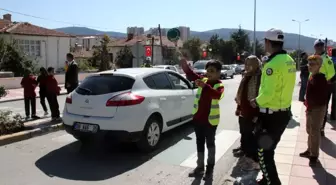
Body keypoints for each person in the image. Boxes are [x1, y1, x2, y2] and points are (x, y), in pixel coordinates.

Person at [250, 28, 296, 185]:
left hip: (271, 116)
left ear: (268, 42)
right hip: (283, 113)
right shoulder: (290, 59)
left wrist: (255, 101)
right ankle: (266, 179)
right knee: (268, 150)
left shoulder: (272, 64)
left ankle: (273, 182)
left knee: (264, 153)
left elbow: (268, 94)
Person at [180, 58, 224, 180]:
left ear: (218, 73)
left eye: (212, 71)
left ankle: (210, 169)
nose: (208, 73)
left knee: (210, 145)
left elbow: (217, 95)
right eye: (207, 70)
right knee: (199, 143)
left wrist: (205, 86)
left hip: (210, 122)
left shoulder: (219, 85)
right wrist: (185, 67)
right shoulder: (203, 80)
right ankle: (200, 167)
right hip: (198, 120)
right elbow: (192, 75)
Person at [299, 55, 329, 166]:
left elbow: (322, 97)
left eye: (312, 64)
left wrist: (311, 104)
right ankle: (310, 150)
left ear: (319, 65)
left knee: (314, 132)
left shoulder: (321, 78)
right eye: (309, 64)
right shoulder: (312, 76)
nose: (309, 66)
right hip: (311, 108)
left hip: (317, 109)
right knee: (309, 130)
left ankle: (314, 155)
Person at [234, 55, 261, 171]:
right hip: (244, 109)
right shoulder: (246, 76)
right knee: (244, 131)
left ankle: (254, 161)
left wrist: (257, 114)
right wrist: (238, 107)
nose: (246, 66)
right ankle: (244, 151)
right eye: (246, 63)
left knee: (251, 136)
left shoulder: (260, 77)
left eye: (249, 64)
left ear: (256, 65)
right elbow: (242, 93)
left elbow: (260, 97)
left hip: (253, 111)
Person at [313, 39, 336, 137]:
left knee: (323, 108)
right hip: (313, 87)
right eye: (318, 45)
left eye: (321, 45)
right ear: (314, 47)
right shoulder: (313, 58)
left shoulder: (326, 59)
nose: (319, 47)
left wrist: (325, 82)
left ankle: (321, 128)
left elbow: (332, 75)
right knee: (314, 108)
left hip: (323, 88)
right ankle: (315, 127)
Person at [330, 48, 336, 120]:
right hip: (335, 82)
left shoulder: (329, 60)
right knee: (335, 99)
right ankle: (333, 115)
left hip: (328, 82)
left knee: (326, 98)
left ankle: (324, 114)